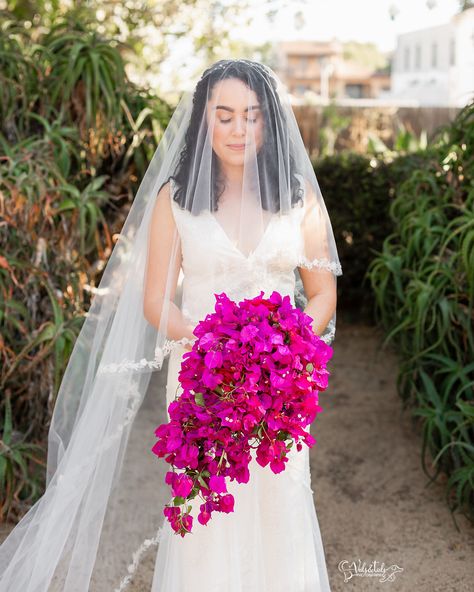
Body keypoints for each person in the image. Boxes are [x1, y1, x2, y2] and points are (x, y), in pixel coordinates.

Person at [0, 58, 342, 591]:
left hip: (276, 386)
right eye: (223, 115)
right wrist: (214, 348)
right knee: (208, 511)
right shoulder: (176, 200)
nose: (237, 129)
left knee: (279, 498)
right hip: (202, 377)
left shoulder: (298, 197)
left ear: (269, 122)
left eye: (251, 116)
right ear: (203, 119)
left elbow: (321, 295)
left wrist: (286, 350)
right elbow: (157, 301)